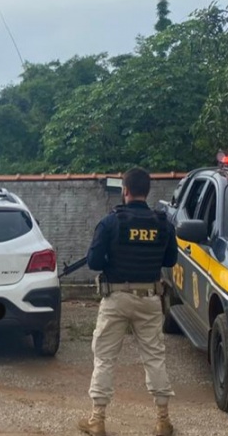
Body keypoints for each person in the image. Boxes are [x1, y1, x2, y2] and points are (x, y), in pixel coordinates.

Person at [78, 167, 178, 436]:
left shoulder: (110, 222)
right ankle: (163, 420)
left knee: (105, 358)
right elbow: (170, 260)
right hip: (150, 299)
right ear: (147, 191)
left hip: (116, 298)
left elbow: (94, 261)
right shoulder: (163, 224)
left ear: (125, 190)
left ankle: (97, 420)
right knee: (155, 357)